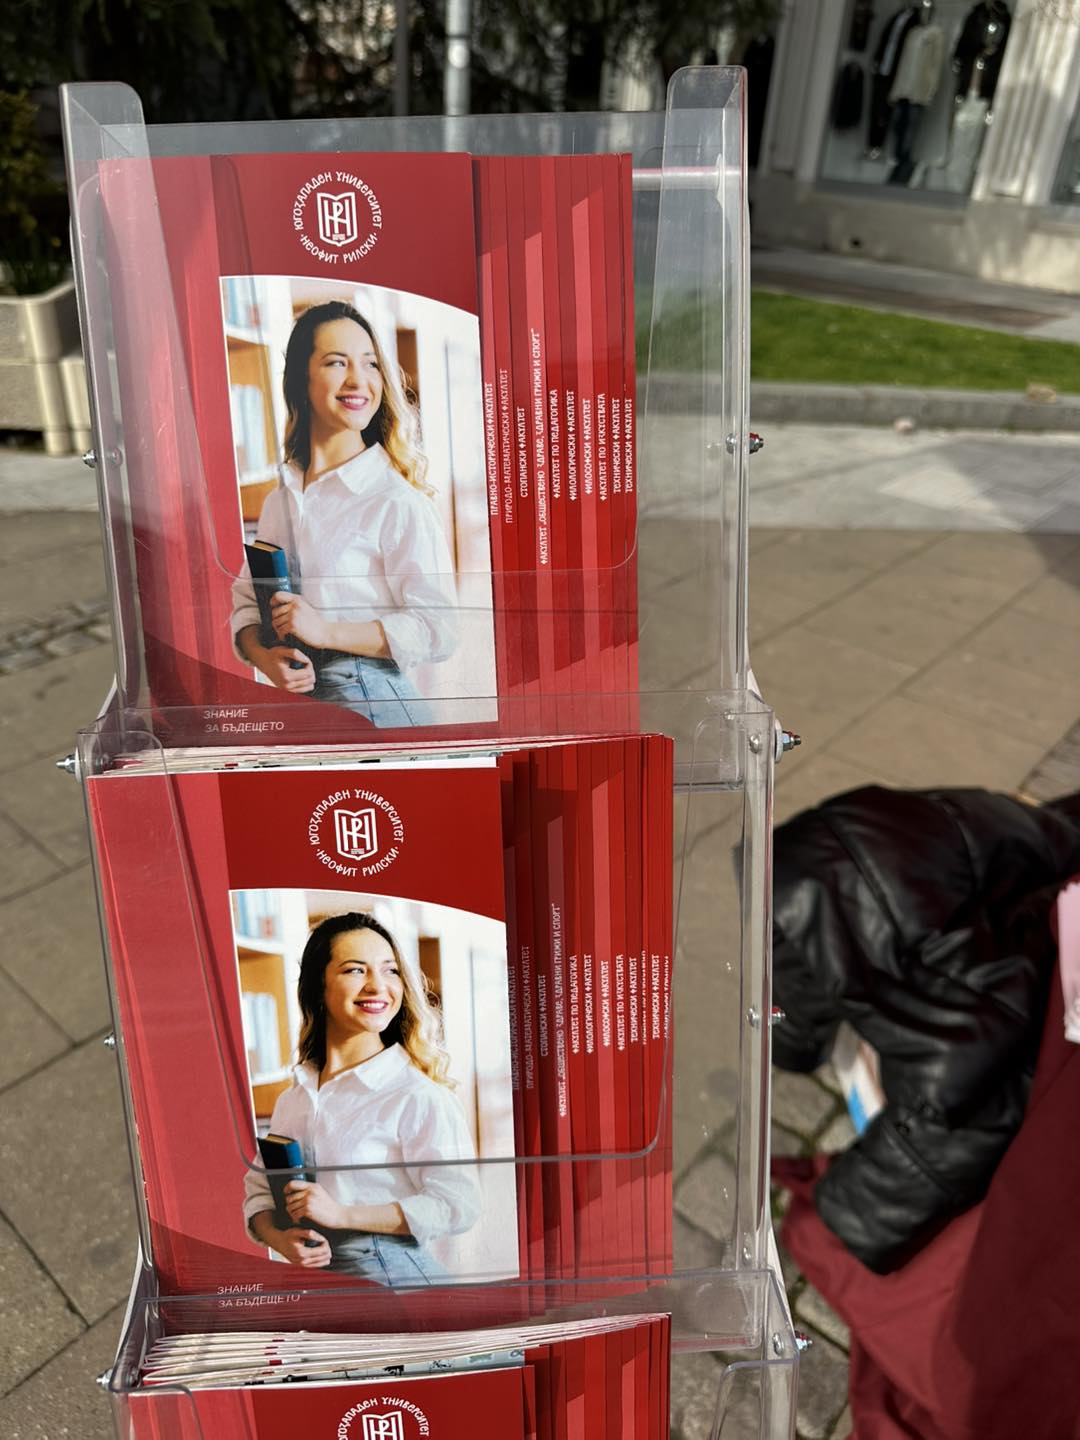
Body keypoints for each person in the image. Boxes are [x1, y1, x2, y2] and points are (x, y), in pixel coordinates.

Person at [230, 301, 458, 726]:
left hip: (375, 707)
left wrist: (327, 631)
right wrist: (265, 658)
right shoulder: (282, 499)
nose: (358, 379)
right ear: (301, 380)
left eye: (370, 364)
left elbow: (439, 628)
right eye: (337, 362)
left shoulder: (396, 501)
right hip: (307, 707)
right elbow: (247, 602)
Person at [243, 911, 481, 1285]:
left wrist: (342, 1215)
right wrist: (280, 1239)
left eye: (390, 970)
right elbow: (259, 1190)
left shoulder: (417, 1094)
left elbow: (458, 1205)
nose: (377, 985)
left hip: (395, 1279)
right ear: (318, 986)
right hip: (319, 1282)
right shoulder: (296, 1098)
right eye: (355, 970)